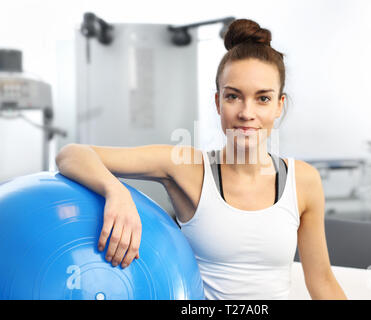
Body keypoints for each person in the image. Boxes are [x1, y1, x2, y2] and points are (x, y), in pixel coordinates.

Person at [56, 18, 347, 300]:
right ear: (218, 102)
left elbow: (321, 281)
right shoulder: (186, 167)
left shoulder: (303, 181)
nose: (247, 112)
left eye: (263, 98)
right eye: (234, 97)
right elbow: (72, 154)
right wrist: (116, 192)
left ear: (279, 106)